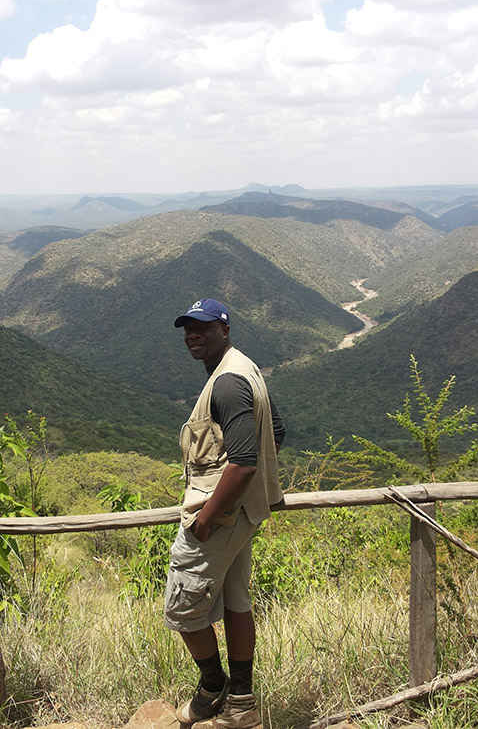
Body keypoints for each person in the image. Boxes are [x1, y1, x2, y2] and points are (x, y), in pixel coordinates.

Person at [164, 298, 285, 729]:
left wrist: (206, 519)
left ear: (224, 329)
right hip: (241, 515)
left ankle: (212, 687)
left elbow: (244, 461)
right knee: (236, 600)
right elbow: (278, 432)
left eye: (202, 327)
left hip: (218, 517)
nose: (192, 335)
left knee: (182, 607)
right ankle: (243, 702)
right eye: (187, 329)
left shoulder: (227, 384)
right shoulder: (242, 369)